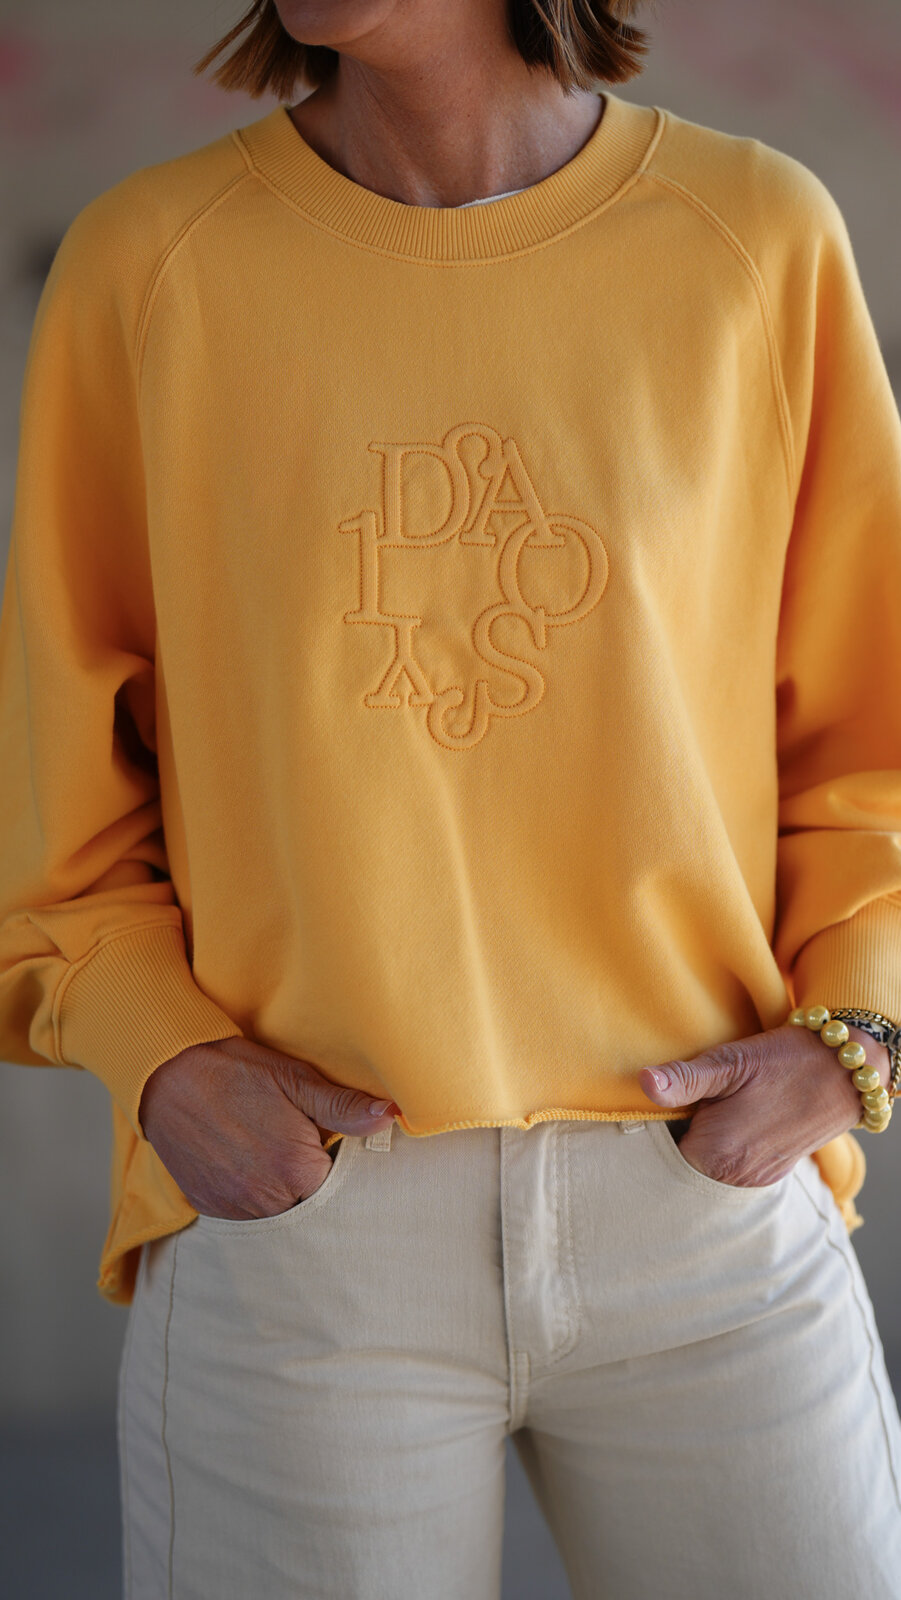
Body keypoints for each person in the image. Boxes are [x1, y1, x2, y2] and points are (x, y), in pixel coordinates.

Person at [1, 0, 900, 1594]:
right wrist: (162, 1057)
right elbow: (52, 777)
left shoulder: (753, 237)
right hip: (306, 1219)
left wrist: (861, 1035)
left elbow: (869, 727)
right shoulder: (153, 264)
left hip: (707, 1195)